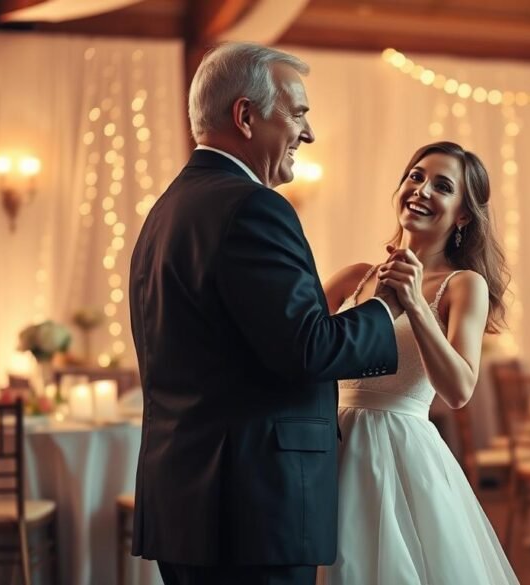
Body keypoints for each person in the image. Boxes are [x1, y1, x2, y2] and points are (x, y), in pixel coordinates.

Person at [128, 42, 401, 585]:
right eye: (297, 113)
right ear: (246, 116)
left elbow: (243, 341)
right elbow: (309, 350)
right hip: (251, 510)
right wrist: (385, 305)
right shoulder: (253, 207)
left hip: (188, 503)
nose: (308, 133)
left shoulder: (169, 208)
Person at [320, 141, 519, 584]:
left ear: (462, 215)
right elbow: (302, 347)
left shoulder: (464, 285)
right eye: (416, 176)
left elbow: (459, 390)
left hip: (401, 456)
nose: (422, 190)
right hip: (328, 447)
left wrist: (413, 303)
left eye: (442, 186)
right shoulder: (354, 277)